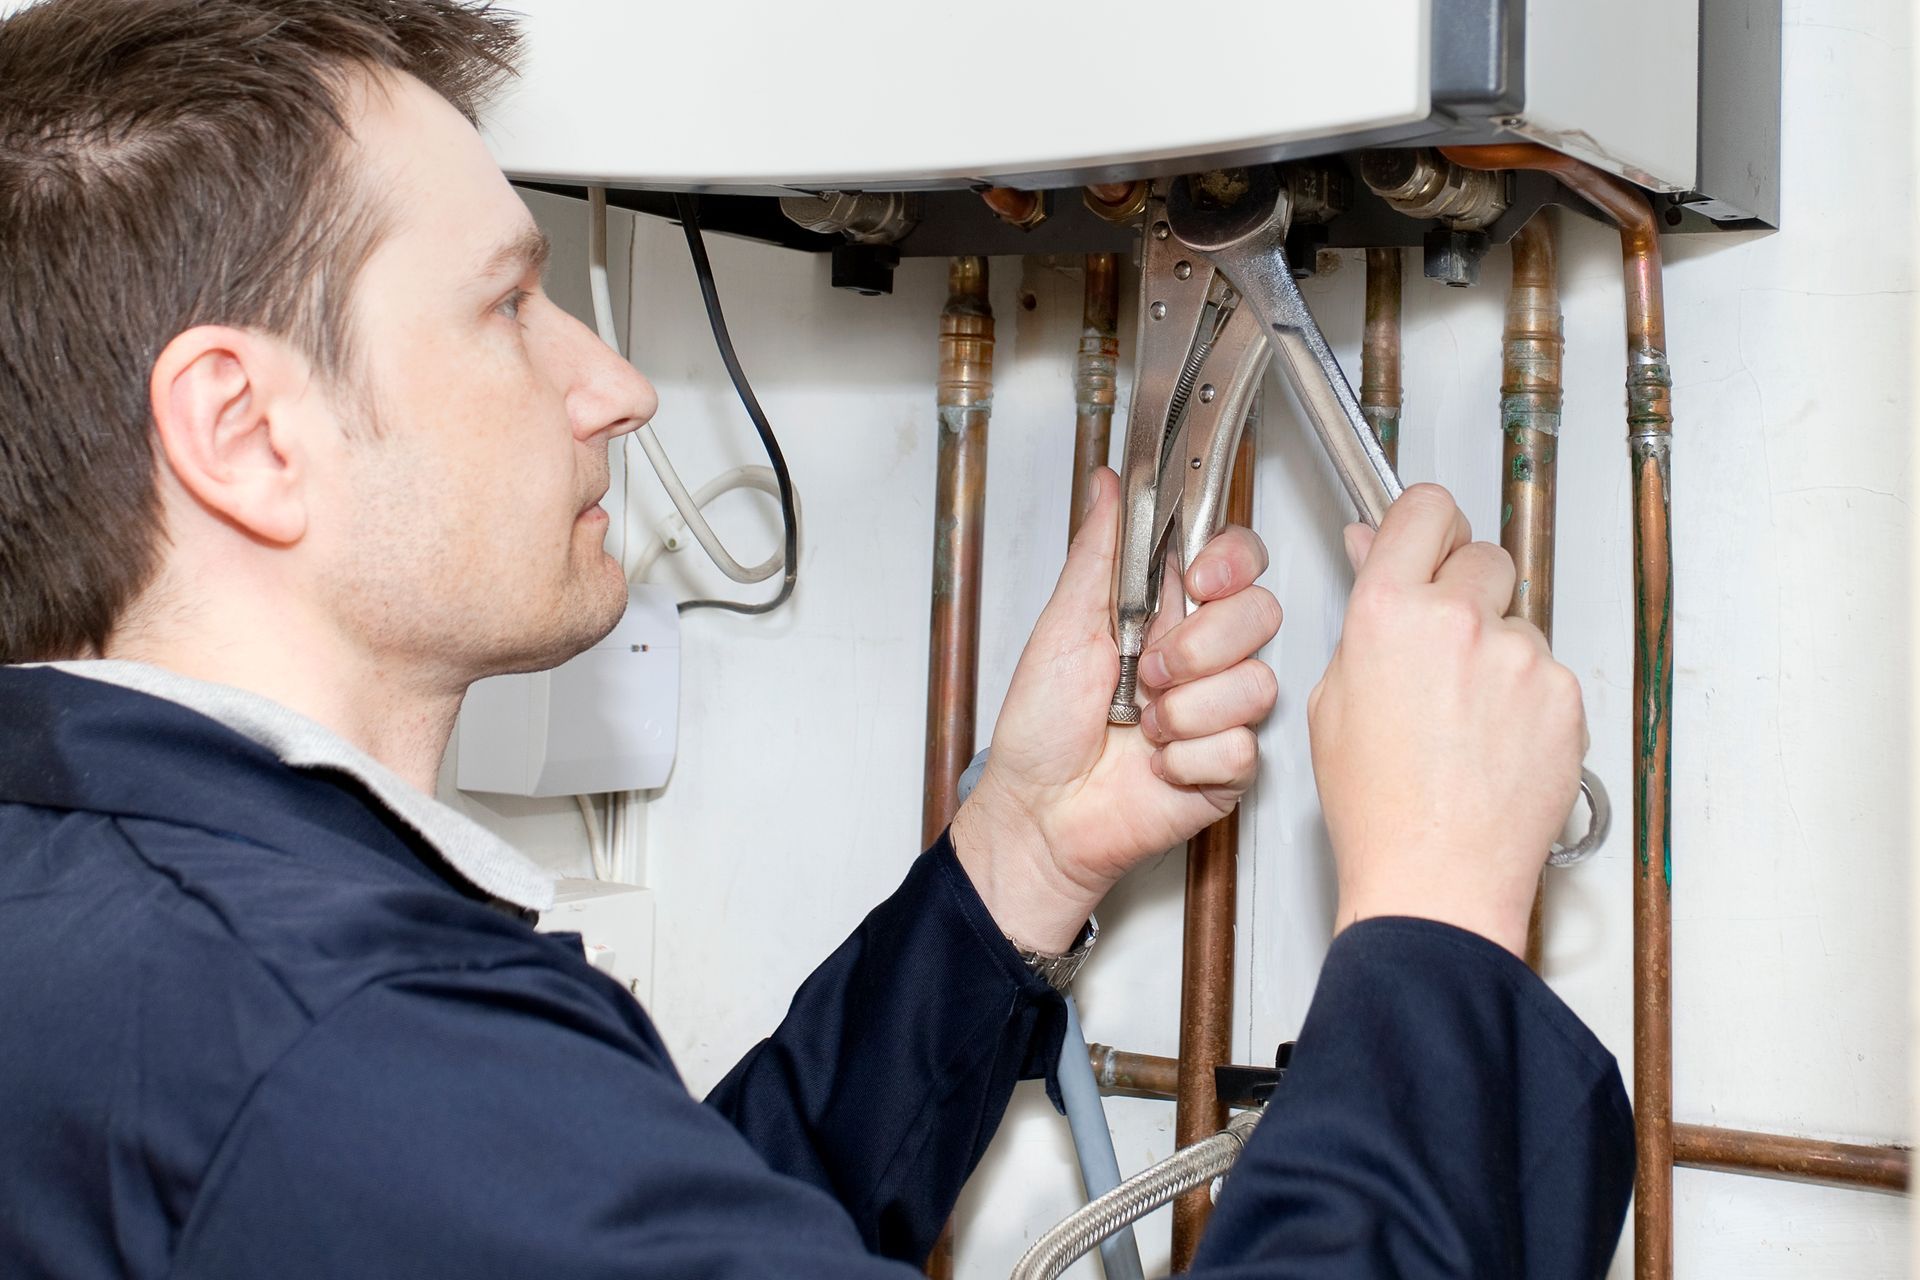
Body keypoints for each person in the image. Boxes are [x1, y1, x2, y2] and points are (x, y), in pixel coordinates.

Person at [0, 1, 1633, 1277]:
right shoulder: (330, 1046)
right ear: (242, 429)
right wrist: (1437, 909)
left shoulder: (108, 933)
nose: (612, 386)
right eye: (508, 304)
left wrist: (1019, 856)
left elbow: (631, 1239)